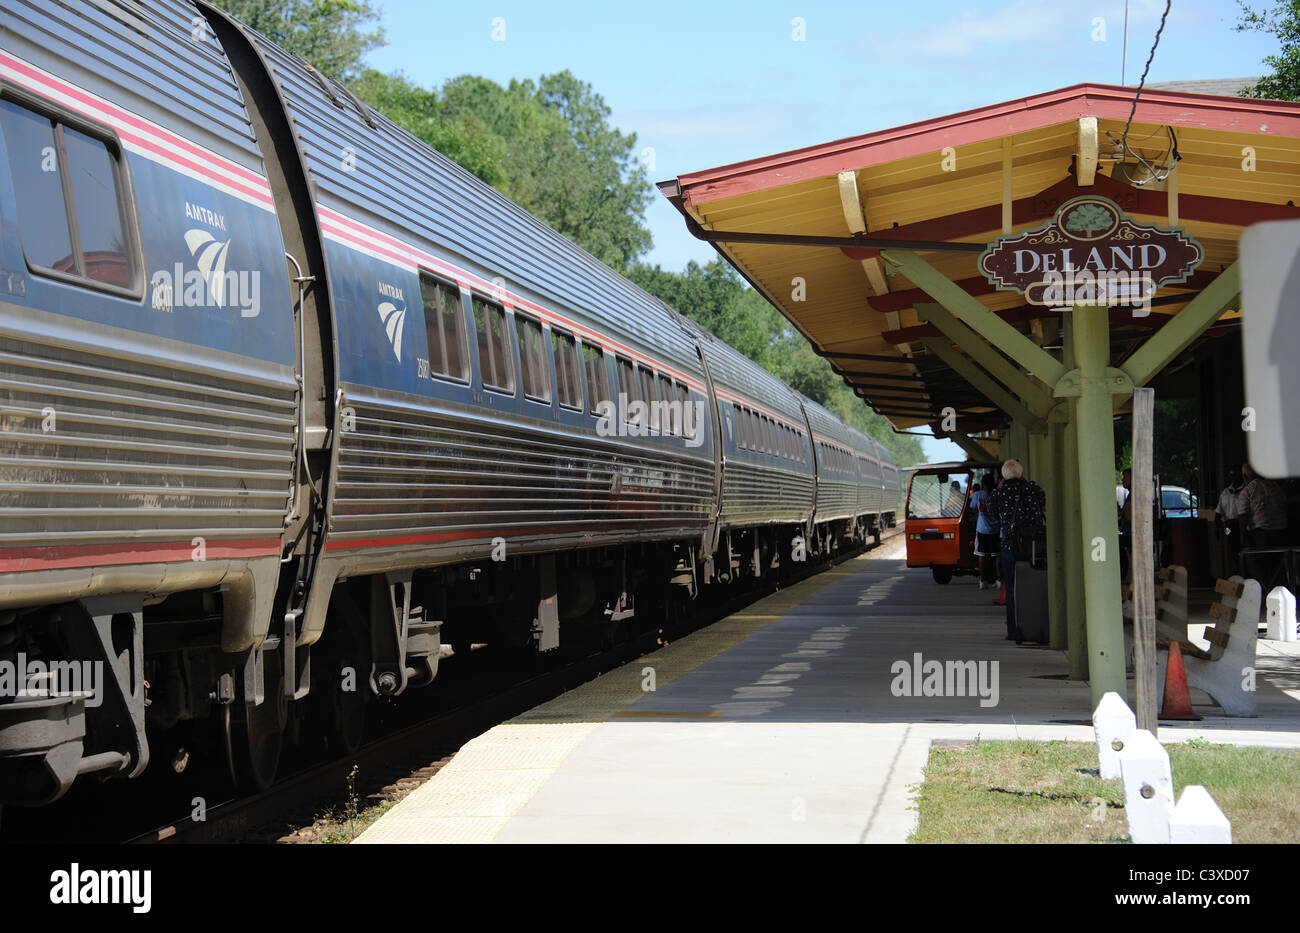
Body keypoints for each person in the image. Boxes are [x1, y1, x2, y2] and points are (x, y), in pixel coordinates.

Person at [988, 459, 1046, 642]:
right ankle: (1037, 626)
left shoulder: (999, 492)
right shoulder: (1033, 488)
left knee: (1012, 589)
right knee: (1037, 584)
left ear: (1003, 476)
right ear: (1022, 474)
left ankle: (1014, 630)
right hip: (1034, 546)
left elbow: (992, 513)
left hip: (1010, 546)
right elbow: (1043, 504)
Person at [1236, 464, 1289, 584]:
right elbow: (1285, 506)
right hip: (1281, 532)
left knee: (1260, 569)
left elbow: (1242, 516)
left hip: (1261, 535)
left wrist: (1242, 537)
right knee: (1278, 567)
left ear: (1245, 477)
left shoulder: (1248, 491)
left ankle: (1263, 595)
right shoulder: (1275, 486)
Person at [968, 473, 1000, 590]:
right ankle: (999, 580)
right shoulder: (997, 494)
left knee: (982, 555)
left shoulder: (977, 495)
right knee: (997, 555)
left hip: (982, 530)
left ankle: (983, 581)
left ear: (983, 484)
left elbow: (972, 509)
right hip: (996, 529)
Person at [1215, 466, 1243, 573]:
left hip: (1241, 524)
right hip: (1229, 525)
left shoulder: (1245, 491)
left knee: (1243, 547)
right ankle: (1237, 570)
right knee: (1232, 546)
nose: (1234, 478)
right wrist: (1217, 528)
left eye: (1235, 475)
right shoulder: (1225, 493)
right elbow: (1218, 512)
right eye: (1231, 475)